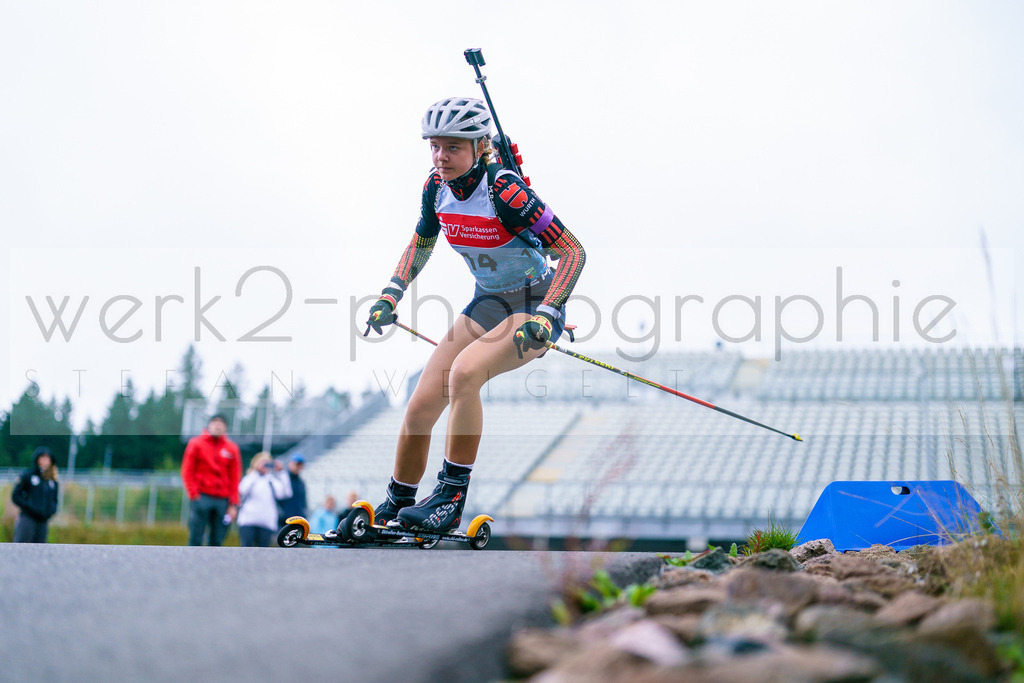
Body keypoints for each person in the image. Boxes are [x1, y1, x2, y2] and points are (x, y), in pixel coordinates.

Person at [331, 96, 585, 537]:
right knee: (421, 404)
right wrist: (391, 294)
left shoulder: (505, 190)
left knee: (465, 374)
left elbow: (572, 251)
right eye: (434, 146)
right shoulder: (435, 188)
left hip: (534, 304)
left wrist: (548, 314)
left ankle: (449, 497)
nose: (440, 157)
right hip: (487, 302)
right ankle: (399, 501)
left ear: (479, 146)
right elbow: (421, 243)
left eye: (452, 147)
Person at [181, 414, 242, 546]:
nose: (218, 425)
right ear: (209, 425)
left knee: (217, 540)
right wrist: (194, 494)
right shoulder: (196, 444)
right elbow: (187, 471)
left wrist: (233, 503)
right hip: (202, 496)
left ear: (226, 428)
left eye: (221, 423)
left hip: (223, 500)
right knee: (195, 537)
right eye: (215, 422)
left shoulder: (232, 448)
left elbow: (235, 477)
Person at [237, 453, 292, 547]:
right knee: (246, 549)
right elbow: (242, 490)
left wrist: (281, 473)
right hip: (248, 521)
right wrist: (256, 472)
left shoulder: (271, 481)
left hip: (267, 523)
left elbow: (286, 493)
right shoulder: (250, 478)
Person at [11, 446, 60, 543]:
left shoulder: (52, 481)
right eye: (43, 457)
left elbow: (54, 499)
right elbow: (16, 496)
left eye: (48, 458)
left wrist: (52, 510)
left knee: (40, 550)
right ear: (37, 459)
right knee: (22, 546)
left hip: (43, 521)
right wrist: (29, 506)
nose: (46, 461)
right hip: (28, 519)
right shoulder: (28, 475)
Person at [277, 454, 308, 527]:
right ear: (290, 464)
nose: (298, 467)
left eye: (300, 465)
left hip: (298, 519)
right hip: (285, 520)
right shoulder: (284, 479)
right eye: (296, 464)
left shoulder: (301, 482)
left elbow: (303, 502)